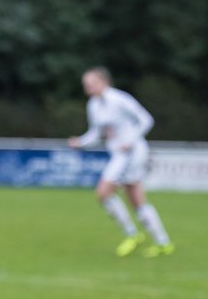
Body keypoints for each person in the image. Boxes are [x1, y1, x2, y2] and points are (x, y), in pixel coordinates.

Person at [68, 67, 174, 258]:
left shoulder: (119, 99)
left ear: (103, 81)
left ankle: (132, 235)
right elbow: (96, 133)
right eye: (86, 84)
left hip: (132, 153)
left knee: (103, 193)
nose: (87, 87)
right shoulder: (93, 105)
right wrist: (81, 142)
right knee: (136, 200)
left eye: (91, 83)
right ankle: (163, 243)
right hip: (120, 155)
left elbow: (146, 119)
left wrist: (130, 141)